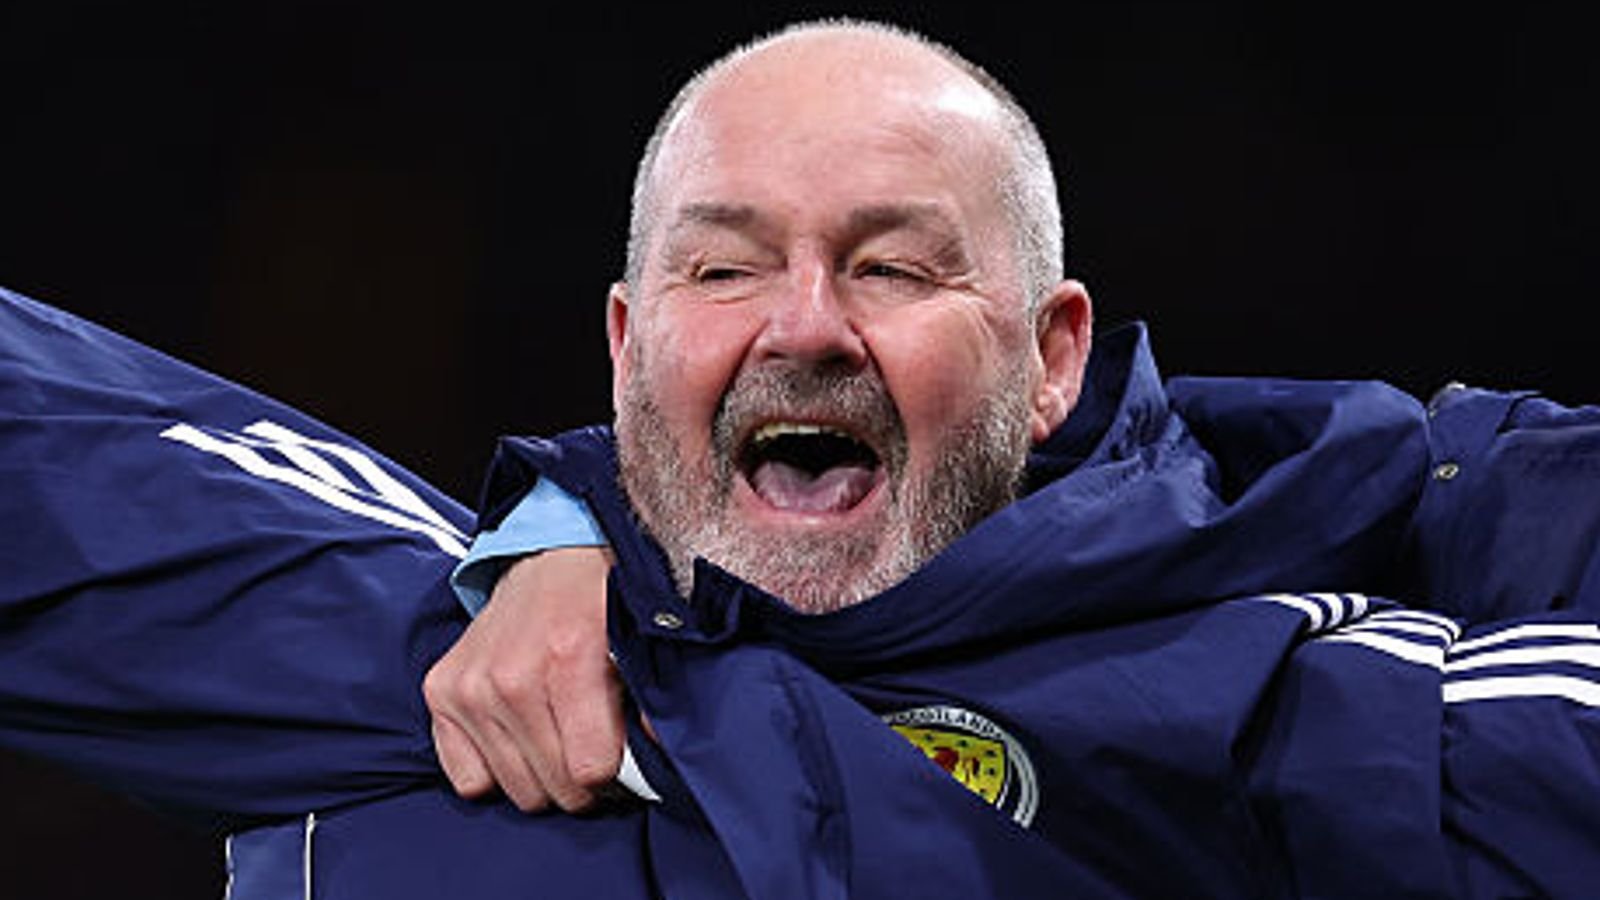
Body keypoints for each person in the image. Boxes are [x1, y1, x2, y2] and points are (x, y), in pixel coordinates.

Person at [5, 17, 1600, 898]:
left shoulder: (1307, 694)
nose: (806, 324)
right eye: (724, 267)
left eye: (893, 267)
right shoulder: (457, 670)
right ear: (627, 348)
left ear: (1052, 360)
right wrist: (570, 519)